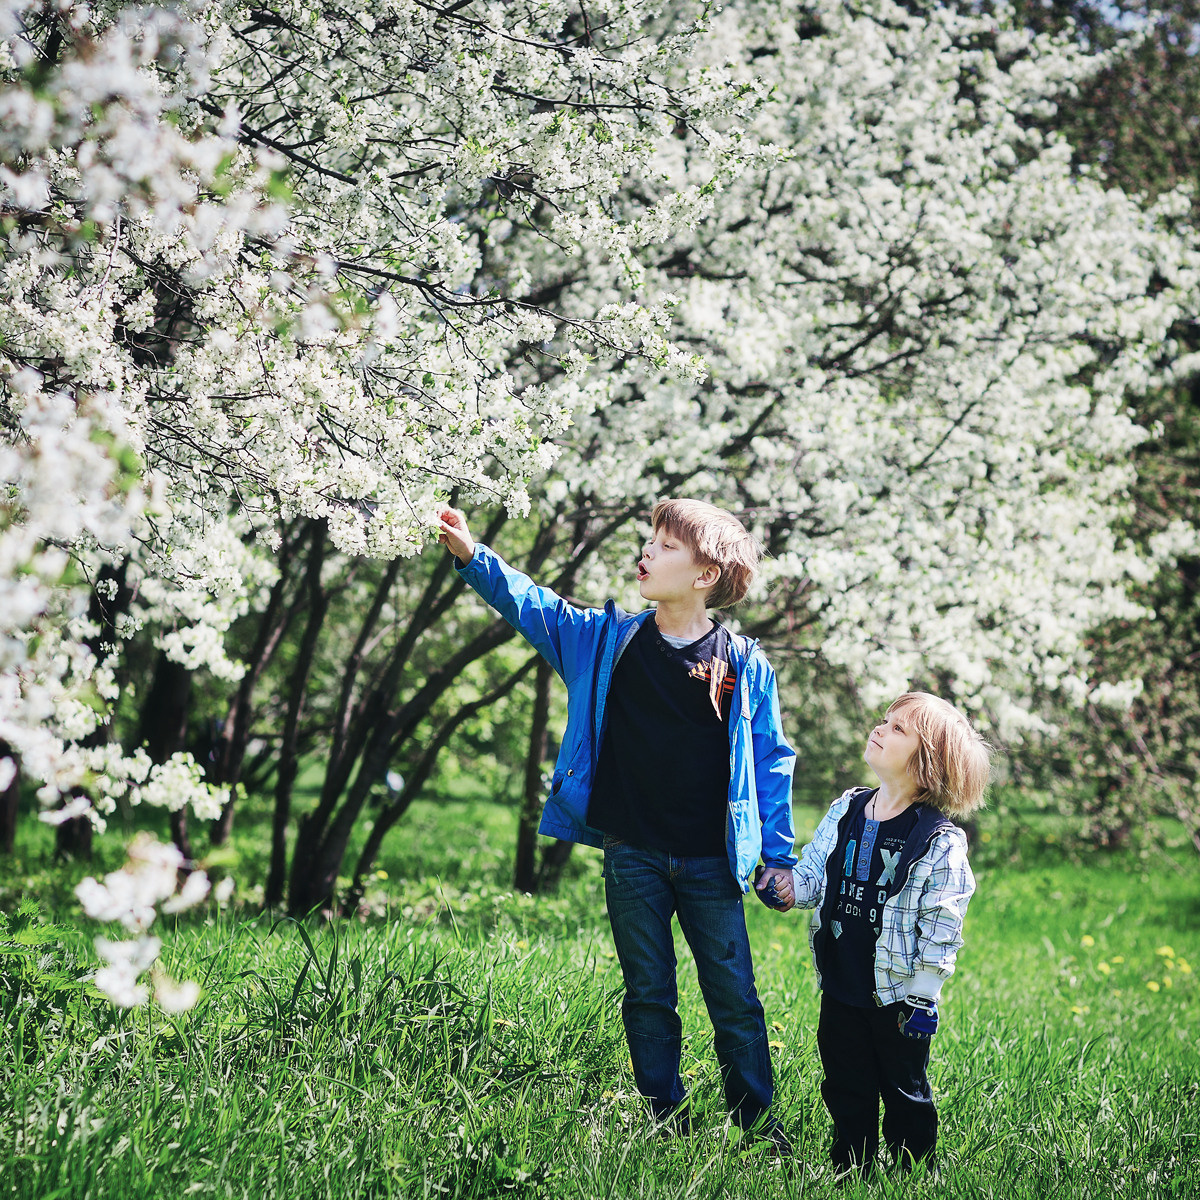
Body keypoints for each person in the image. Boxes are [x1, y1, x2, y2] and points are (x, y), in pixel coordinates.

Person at [437, 498, 798, 1150]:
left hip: (711, 860)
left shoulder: (742, 663)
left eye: (664, 546)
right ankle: (665, 1119)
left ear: (704, 574)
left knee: (735, 999)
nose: (646, 553)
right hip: (631, 853)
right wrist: (471, 554)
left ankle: (756, 1126)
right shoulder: (606, 641)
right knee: (648, 991)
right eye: (649, 541)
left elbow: (770, 761)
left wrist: (777, 855)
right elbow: (533, 605)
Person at [779, 691, 990, 1178]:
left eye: (898, 729)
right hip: (841, 980)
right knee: (844, 1082)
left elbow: (942, 924)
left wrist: (925, 995)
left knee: (903, 1087)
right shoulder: (848, 808)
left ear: (927, 763)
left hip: (899, 997)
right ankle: (851, 1167)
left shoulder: (937, 839)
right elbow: (817, 872)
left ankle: (913, 1171)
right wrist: (790, 887)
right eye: (884, 720)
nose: (880, 728)